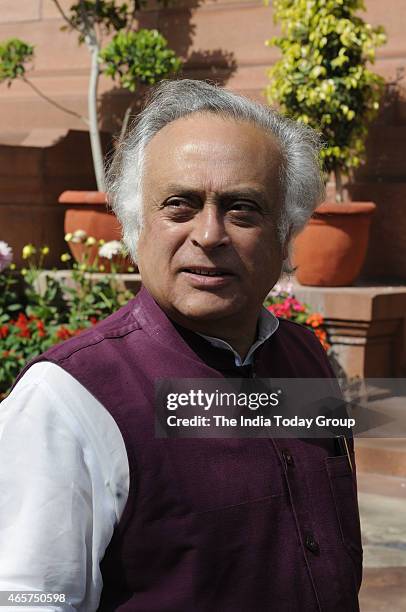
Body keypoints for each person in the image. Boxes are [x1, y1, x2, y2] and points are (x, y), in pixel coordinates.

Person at [0, 79, 362, 611]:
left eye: (242, 208)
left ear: (286, 235)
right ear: (133, 227)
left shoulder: (304, 358)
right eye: (179, 205)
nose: (210, 234)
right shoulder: (68, 401)